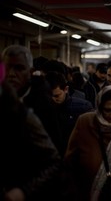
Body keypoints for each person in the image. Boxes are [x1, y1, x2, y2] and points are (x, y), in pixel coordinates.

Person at [0, 61, 62, 201]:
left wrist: (23, 191)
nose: (12, 74)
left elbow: (54, 161)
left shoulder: (20, 114)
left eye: (19, 68)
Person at [45, 71, 94, 157]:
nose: (53, 100)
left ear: (66, 89)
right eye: (49, 96)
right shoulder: (42, 108)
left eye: (57, 96)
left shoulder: (83, 107)